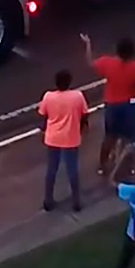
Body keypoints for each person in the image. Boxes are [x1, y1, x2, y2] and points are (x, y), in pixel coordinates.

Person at [81, 34, 135, 178]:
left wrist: (88, 44)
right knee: (132, 138)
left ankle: (102, 165)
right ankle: (129, 167)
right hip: (130, 106)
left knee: (110, 136)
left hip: (112, 106)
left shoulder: (107, 63)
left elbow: (90, 62)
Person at [39, 69, 89, 212]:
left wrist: (43, 130)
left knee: (51, 169)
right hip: (71, 137)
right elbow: (85, 115)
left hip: (53, 137)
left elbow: (44, 116)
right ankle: (76, 201)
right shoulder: (77, 96)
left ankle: (48, 200)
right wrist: (82, 127)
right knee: (72, 169)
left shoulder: (48, 96)